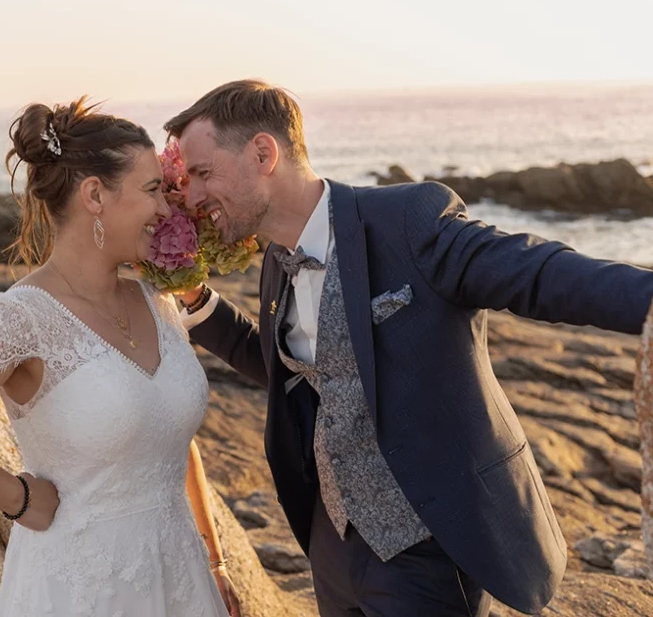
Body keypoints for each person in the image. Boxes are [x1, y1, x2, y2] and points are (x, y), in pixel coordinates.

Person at [167, 79, 653, 616]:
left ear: (263, 153)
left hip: (429, 542)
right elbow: (302, 372)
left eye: (202, 173)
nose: (191, 197)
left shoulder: (408, 222)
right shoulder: (277, 262)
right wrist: (195, 298)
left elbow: (534, 272)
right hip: (333, 543)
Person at [0, 97, 241, 616]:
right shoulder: (23, 318)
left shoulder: (155, 301)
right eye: (152, 189)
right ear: (95, 195)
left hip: (181, 577)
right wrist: (16, 497)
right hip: (80, 590)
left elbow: (169, 434)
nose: (164, 208)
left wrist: (215, 558)